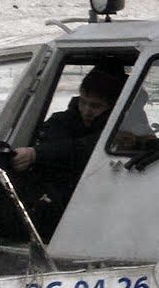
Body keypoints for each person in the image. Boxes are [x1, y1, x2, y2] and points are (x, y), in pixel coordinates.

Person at [10, 64, 126, 237]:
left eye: (95, 106)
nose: (86, 110)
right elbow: (60, 146)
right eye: (83, 102)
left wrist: (37, 154)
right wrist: (36, 153)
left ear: (112, 106)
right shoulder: (60, 121)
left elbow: (91, 147)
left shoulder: (121, 128)